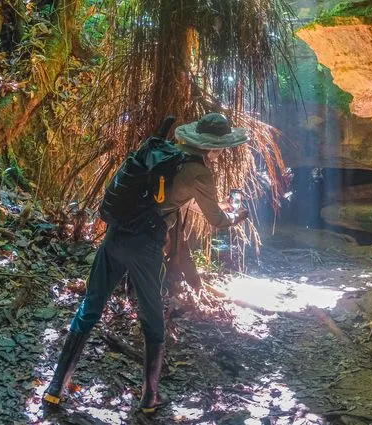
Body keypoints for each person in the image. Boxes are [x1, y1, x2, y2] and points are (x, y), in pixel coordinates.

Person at [42, 113, 250, 413]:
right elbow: (216, 219)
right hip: (146, 246)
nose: (220, 154)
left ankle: (55, 387)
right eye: (221, 149)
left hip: (115, 235)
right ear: (214, 149)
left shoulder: (165, 152)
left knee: (90, 306)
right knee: (153, 318)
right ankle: (149, 398)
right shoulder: (200, 173)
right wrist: (236, 215)